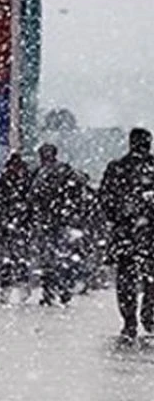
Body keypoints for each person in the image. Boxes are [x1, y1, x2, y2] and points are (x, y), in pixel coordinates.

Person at [99, 127, 154, 342]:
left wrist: (119, 216)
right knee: (150, 278)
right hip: (149, 232)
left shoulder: (118, 167)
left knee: (126, 280)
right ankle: (148, 316)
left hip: (126, 233)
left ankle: (130, 320)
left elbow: (105, 198)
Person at [29, 143, 89, 306]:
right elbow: (82, 186)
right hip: (64, 221)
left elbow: (31, 198)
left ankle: (50, 291)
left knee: (49, 258)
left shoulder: (39, 174)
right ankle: (64, 289)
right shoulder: (67, 171)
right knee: (64, 257)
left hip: (48, 221)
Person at [0, 152, 35, 304]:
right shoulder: (23, 180)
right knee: (13, 259)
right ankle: (12, 288)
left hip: (14, 224)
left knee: (13, 259)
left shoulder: (6, 180)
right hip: (14, 224)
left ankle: (12, 288)